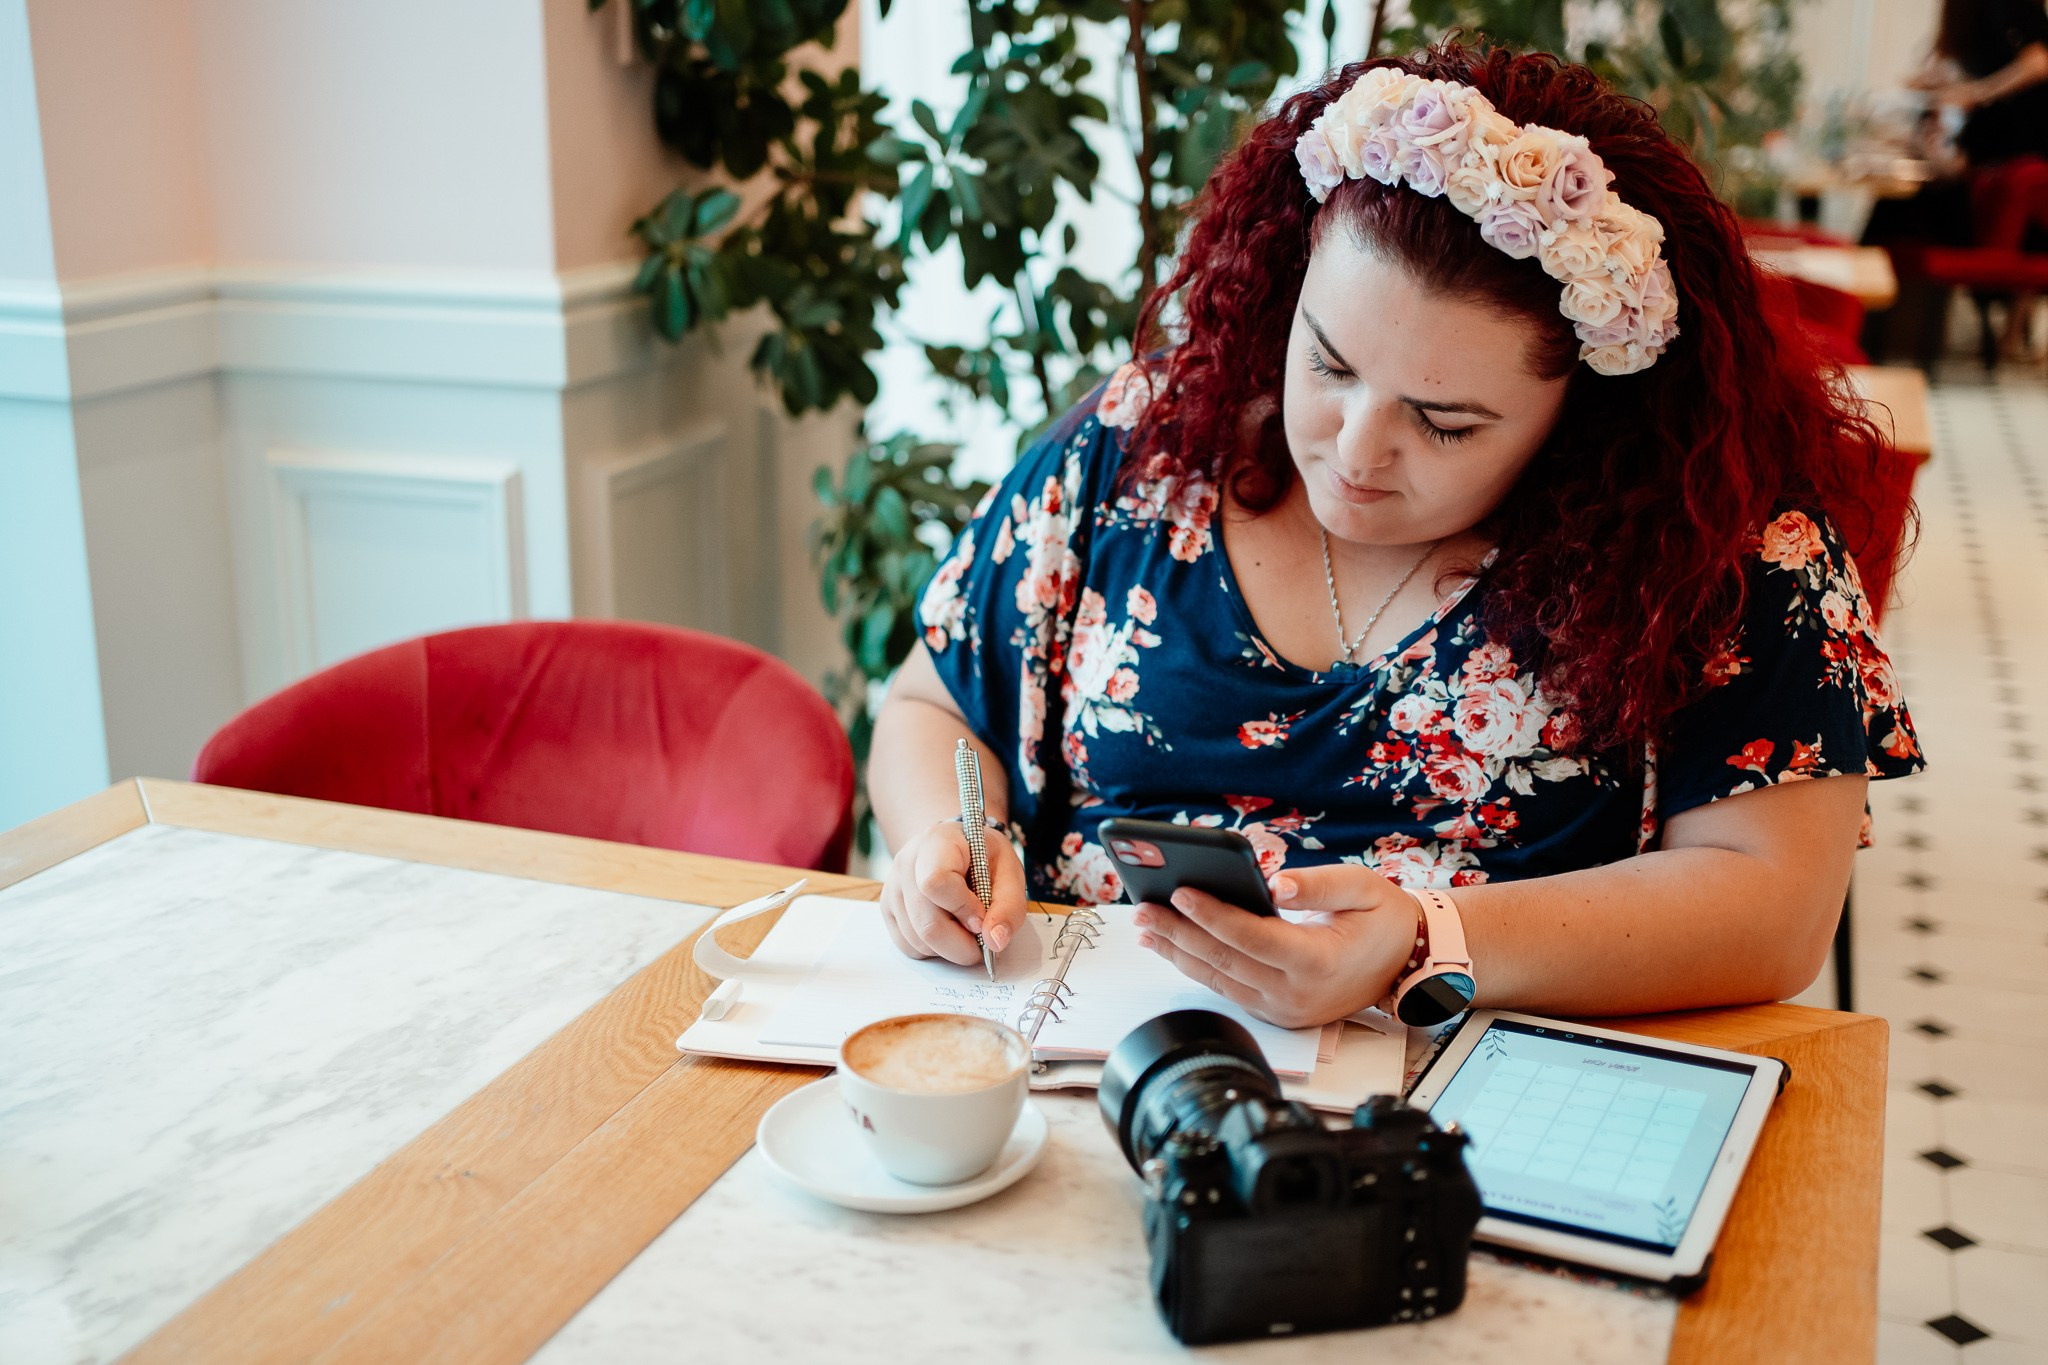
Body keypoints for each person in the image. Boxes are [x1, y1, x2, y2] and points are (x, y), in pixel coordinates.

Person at [868, 41, 1924, 1030]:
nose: (1355, 450)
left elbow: (1773, 908)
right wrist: (947, 837)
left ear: (1584, 411)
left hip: (1479, 1090)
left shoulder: (1721, 550)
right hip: (1084, 1052)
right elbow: (934, 701)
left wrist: (1426, 940)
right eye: (1327, 363)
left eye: (1443, 421)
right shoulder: (1141, 445)